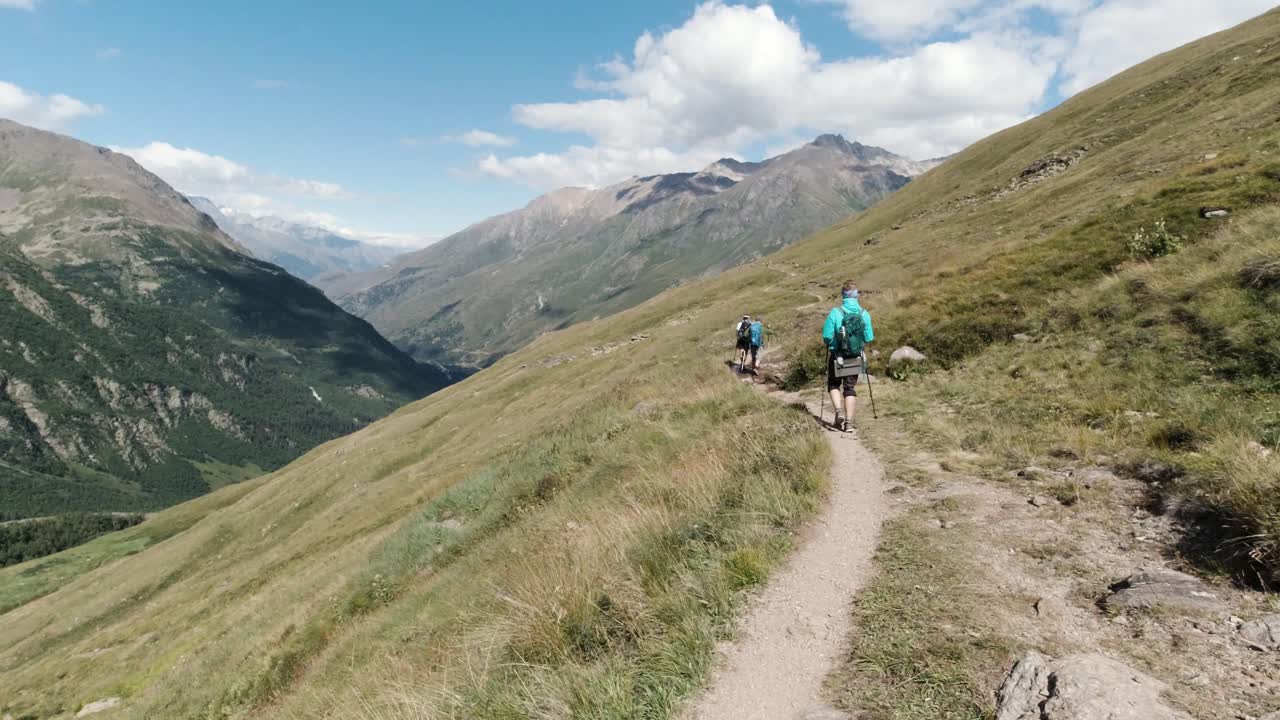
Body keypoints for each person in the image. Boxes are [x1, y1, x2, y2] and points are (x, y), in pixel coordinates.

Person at [822, 281, 874, 432]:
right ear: (856, 295)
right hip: (855, 356)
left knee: (833, 384)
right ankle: (849, 424)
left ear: (843, 295)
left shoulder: (836, 312)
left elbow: (826, 336)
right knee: (849, 388)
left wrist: (833, 343)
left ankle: (838, 412)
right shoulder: (864, 313)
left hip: (837, 356)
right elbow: (869, 338)